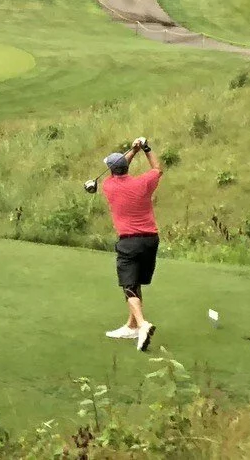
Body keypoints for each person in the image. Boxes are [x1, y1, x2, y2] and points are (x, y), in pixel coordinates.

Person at [99, 137, 160, 350]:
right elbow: (157, 168)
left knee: (128, 286)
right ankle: (131, 326)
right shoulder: (143, 183)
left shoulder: (109, 186)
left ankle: (142, 324)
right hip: (151, 240)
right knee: (136, 283)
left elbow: (118, 168)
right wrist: (144, 148)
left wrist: (132, 152)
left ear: (111, 170)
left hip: (129, 242)